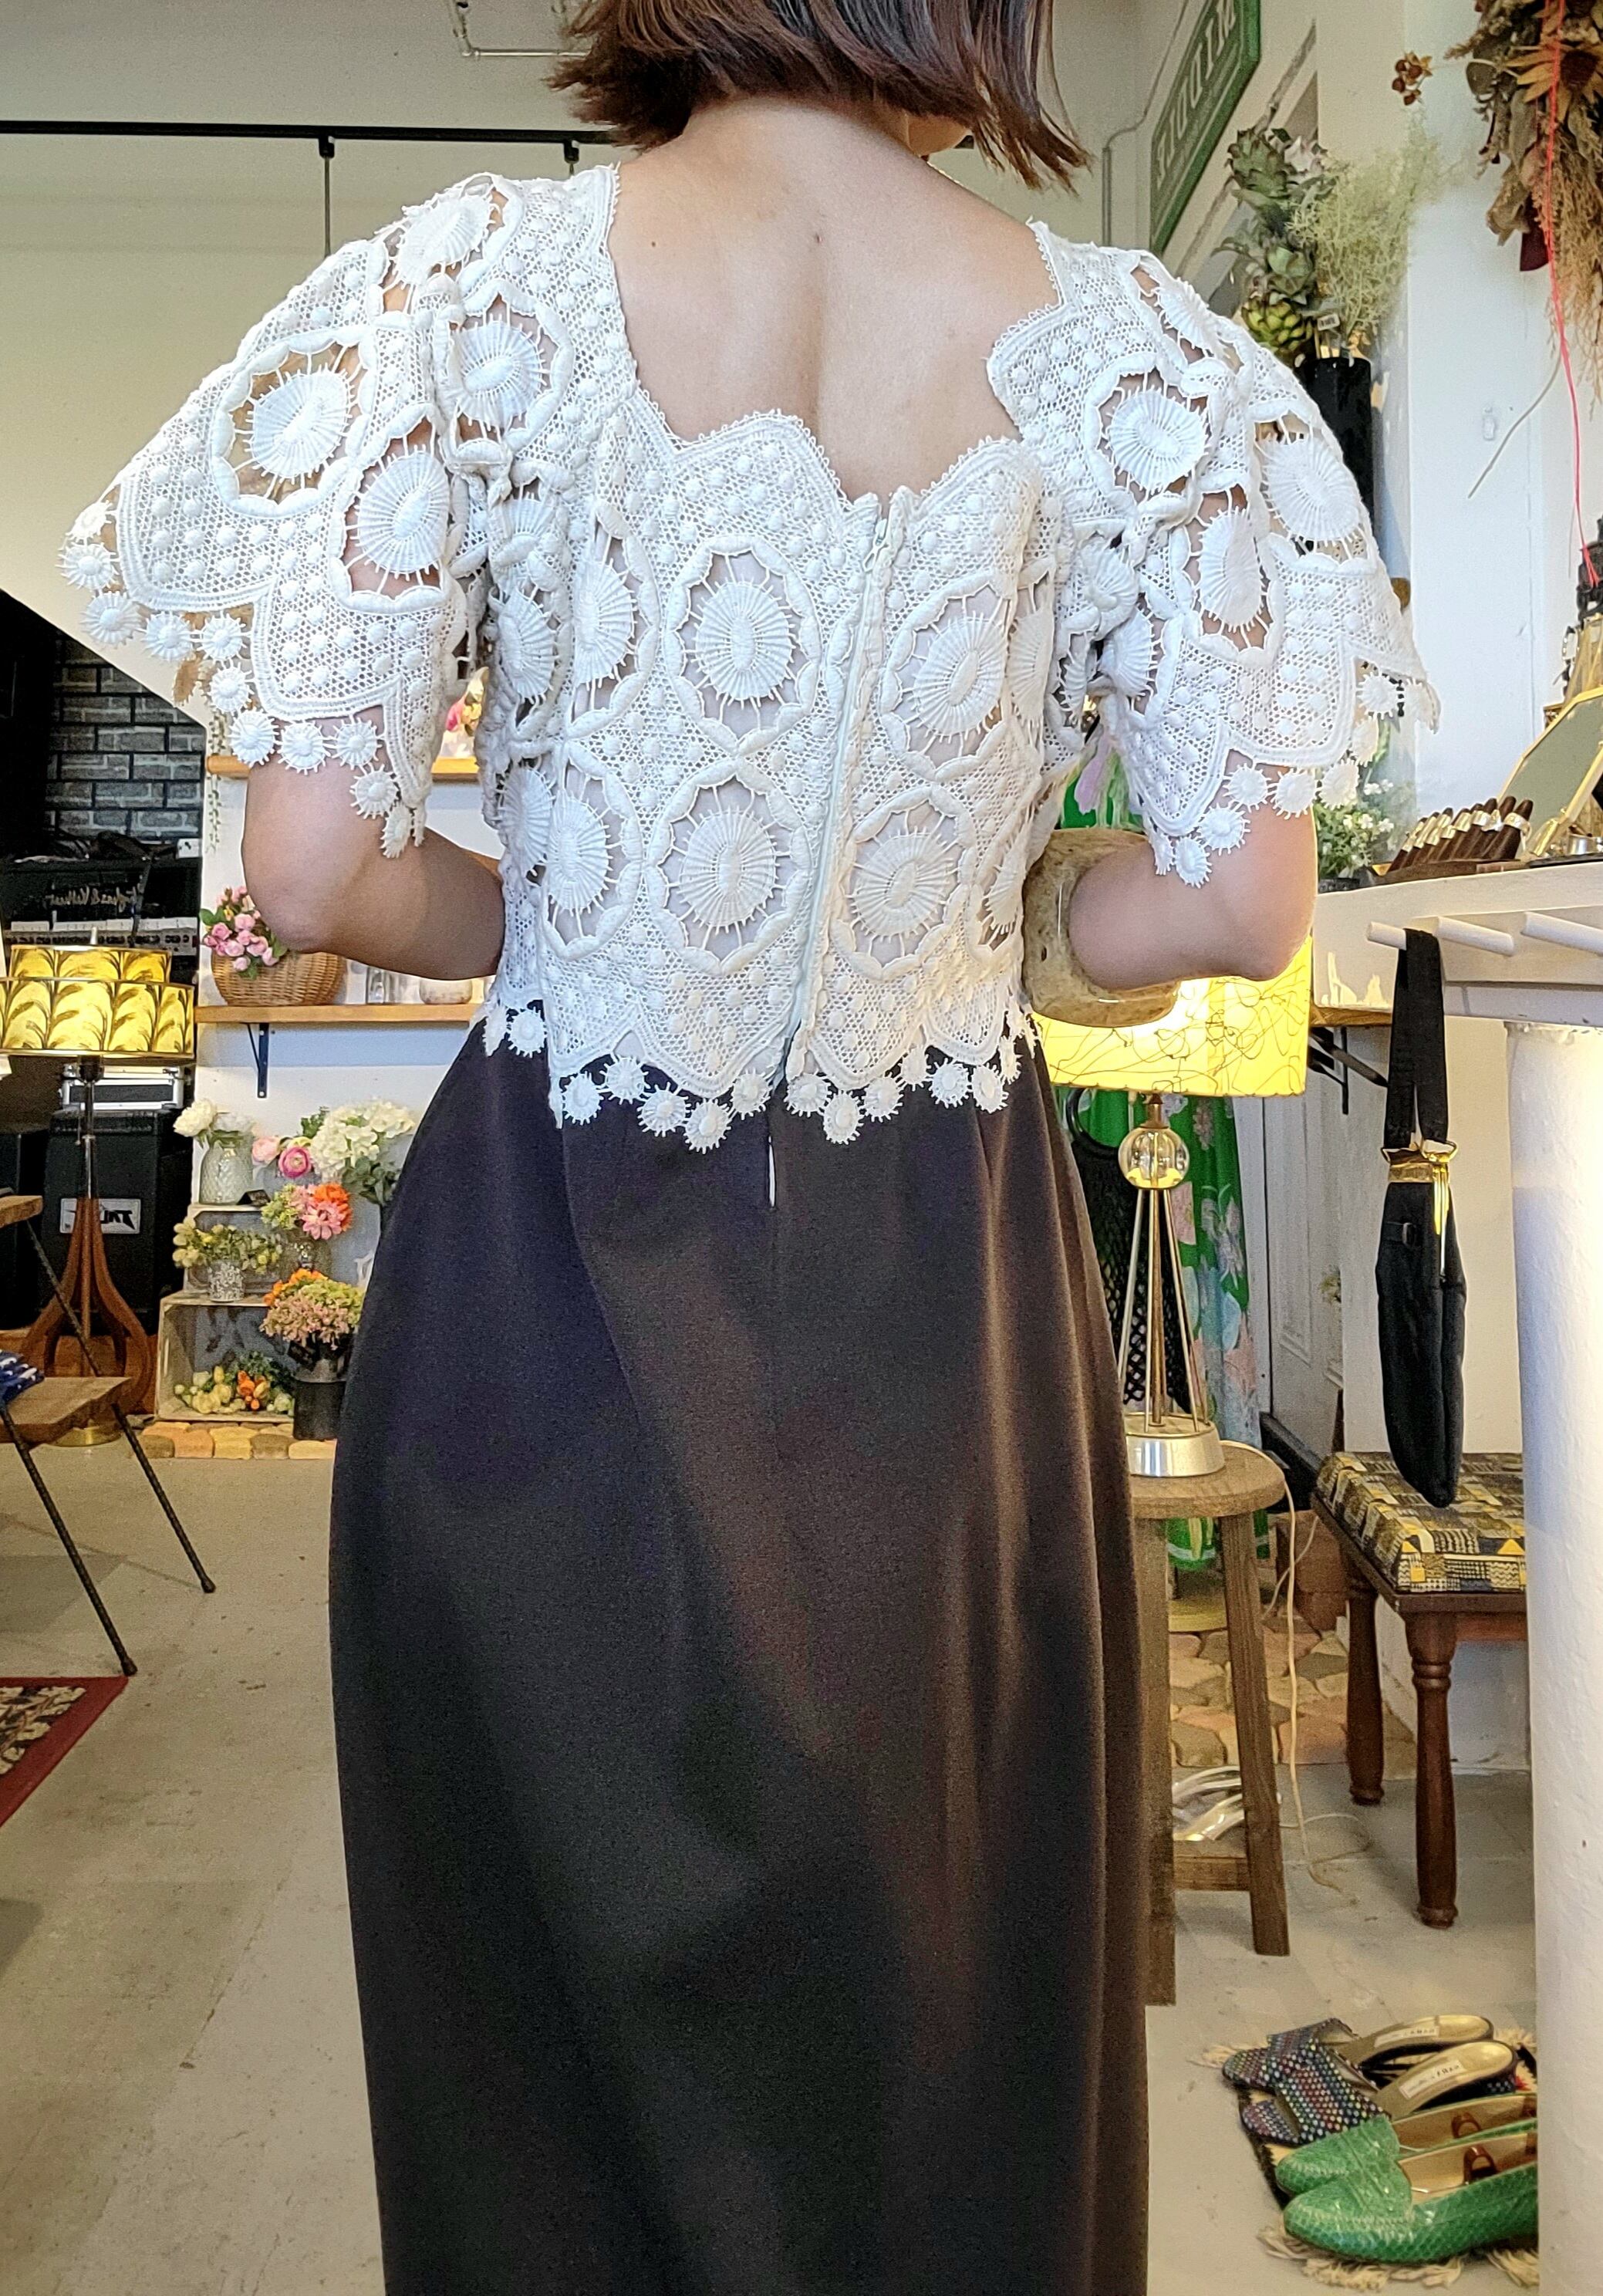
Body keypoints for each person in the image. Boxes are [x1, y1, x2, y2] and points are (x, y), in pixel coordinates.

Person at [62, 2, 1429, 2287]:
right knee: (947, 2005)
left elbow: (305, 870)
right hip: (940, 1293)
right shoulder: (1145, 365)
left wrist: (558, 912)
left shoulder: (467, 291)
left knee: (541, 2058)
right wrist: (1006, 911)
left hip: (547, 1276)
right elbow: (1238, 905)